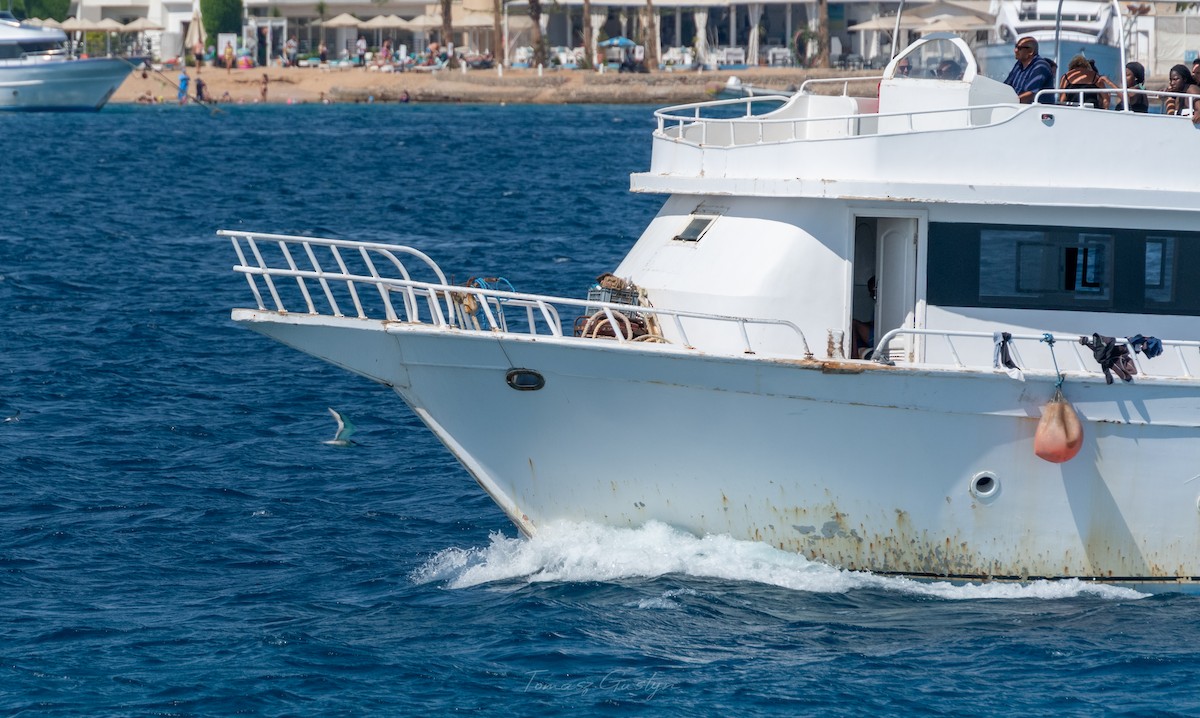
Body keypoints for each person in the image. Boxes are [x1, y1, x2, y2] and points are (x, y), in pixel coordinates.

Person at [1003, 37, 1055, 104]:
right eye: (1015, 47)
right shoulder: (1018, 65)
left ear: (1030, 51)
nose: (1015, 50)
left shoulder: (1040, 66)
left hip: (1035, 110)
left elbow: (1031, 94)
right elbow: (1007, 85)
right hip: (1018, 107)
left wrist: (1009, 102)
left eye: (1019, 48)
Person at [852, 276, 876, 359]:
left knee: (853, 324)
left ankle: (854, 356)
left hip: (878, 337)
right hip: (876, 334)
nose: (871, 295)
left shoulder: (881, 305)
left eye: (872, 291)